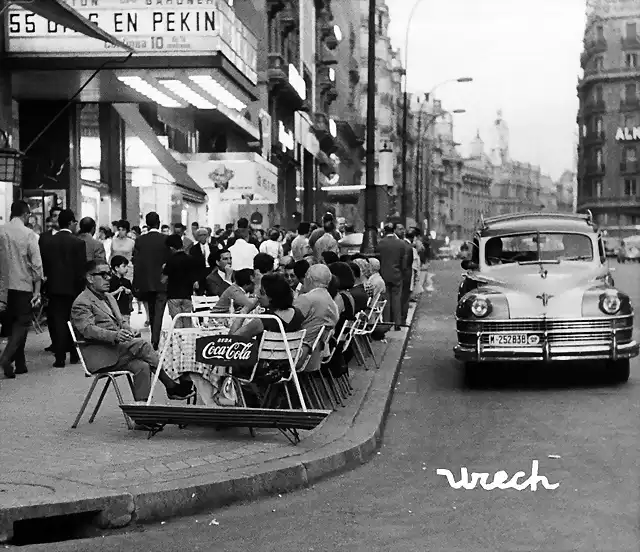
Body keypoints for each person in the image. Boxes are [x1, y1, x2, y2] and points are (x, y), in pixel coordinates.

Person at [71, 261, 195, 408]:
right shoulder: (81, 302)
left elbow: (120, 321)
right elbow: (87, 330)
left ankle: (142, 416)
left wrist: (129, 329)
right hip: (100, 354)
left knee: (142, 366)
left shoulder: (109, 297)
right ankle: (170, 385)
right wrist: (114, 335)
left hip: (116, 351)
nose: (108, 278)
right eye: (103, 275)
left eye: (109, 274)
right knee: (142, 345)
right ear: (90, 278)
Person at [0, 201, 43, 379]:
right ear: (26, 215)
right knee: (22, 323)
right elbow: (36, 264)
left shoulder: (1, 231)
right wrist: (37, 289)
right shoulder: (29, 234)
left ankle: (20, 363)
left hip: (3, 287)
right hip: (23, 285)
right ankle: (6, 357)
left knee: (9, 323)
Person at [41, 209, 86, 368]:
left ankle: (59, 357)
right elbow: (81, 270)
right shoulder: (78, 243)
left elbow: (44, 266)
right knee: (74, 321)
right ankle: (75, 354)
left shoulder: (48, 242)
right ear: (70, 223)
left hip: (54, 288)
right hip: (73, 289)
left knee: (58, 321)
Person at [132, 212, 172, 350]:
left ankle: (154, 337)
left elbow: (137, 263)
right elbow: (169, 261)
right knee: (159, 311)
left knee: (151, 310)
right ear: (159, 223)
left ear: (147, 224)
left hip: (146, 281)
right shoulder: (166, 239)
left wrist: (136, 283)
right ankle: (156, 339)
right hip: (162, 281)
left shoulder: (140, 240)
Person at [235, 273, 304, 339]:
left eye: (262, 292)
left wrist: (245, 310)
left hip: (265, 351)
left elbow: (230, 339)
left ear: (271, 296)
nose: (258, 296)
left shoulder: (264, 321)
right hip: (290, 350)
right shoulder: (297, 314)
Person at [294, 264, 339, 364]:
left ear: (309, 279)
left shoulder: (307, 299)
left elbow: (287, 322)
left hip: (297, 351)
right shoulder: (332, 302)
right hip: (317, 352)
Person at [163, 234, 200, 329]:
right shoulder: (191, 259)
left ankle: (179, 343)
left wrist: (163, 269)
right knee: (187, 324)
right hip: (187, 295)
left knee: (177, 324)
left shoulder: (170, 260)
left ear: (171, 248)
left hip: (173, 295)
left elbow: (163, 280)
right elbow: (196, 284)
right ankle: (188, 342)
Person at [377, 223, 410, 331]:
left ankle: (387, 323)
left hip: (384, 274)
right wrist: (402, 273)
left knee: (386, 299)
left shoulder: (380, 243)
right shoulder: (401, 244)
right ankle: (397, 323)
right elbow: (404, 262)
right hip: (397, 275)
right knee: (396, 299)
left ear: (385, 231)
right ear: (393, 230)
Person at [109, 255, 133, 325]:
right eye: (124, 266)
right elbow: (106, 296)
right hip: (114, 312)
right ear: (116, 268)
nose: (126, 269)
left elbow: (131, 297)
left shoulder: (127, 282)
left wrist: (129, 292)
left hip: (125, 311)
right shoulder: (110, 281)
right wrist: (117, 291)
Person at [190, 228, 213, 293]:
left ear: (207, 236)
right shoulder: (193, 249)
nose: (203, 237)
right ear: (197, 237)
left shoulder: (213, 248)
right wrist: (194, 280)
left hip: (210, 272)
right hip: (199, 273)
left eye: (204, 235)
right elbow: (192, 266)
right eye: (200, 235)